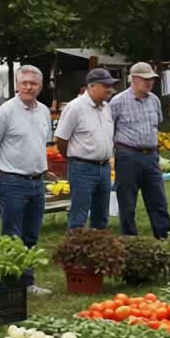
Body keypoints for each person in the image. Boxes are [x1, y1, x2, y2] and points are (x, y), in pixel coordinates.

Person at [0, 65, 54, 294]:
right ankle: (12, 284)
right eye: (24, 83)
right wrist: (0, 168)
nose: (28, 87)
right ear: (16, 84)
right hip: (13, 181)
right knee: (13, 235)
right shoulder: (5, 111)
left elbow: (43, 144)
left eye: (33, 83)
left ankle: (28, 282)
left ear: (40, 87)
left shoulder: (43, 111)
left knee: (32, 234)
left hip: (37, 181)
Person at [110, 62, 170, 239]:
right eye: (145, 79)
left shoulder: (154, 100)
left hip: (151, 155)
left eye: (151, 79)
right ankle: (130, 240)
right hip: (127, 155)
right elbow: (110, 129)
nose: (149, 83)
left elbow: (156, 124)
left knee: (158, 200)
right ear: (134, 80)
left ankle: (164, 238)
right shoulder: (117, 102)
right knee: (127, 201)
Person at [56, 68, 116, 230]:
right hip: (82, 168)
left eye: (110, 85)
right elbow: (61, 139)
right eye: (105, 85)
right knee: (79, 215)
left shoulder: (106, 107)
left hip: (104, 168)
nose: (109, 89)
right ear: (91, 86)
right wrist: (73, 159)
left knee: (101, 215)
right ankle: (75, 251)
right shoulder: (75, 108)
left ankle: (99, 251)